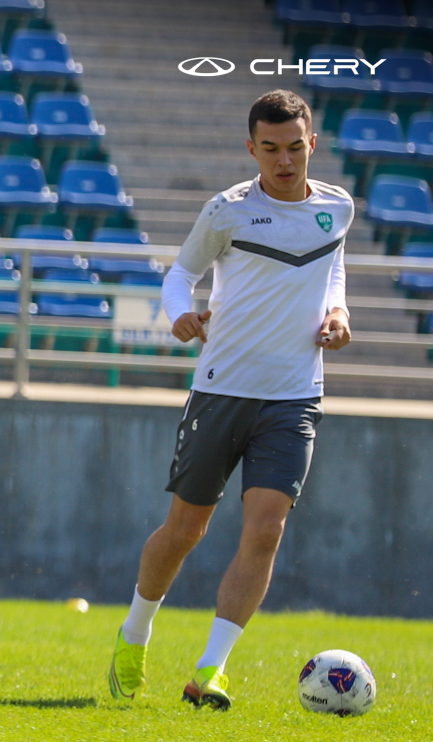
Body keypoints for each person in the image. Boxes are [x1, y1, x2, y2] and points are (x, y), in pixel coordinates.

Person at [107, 89, 352, 709]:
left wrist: (340, 312)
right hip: (221, 390)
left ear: (311, 145)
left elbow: (333, 270)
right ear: (252, 149)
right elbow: (180, 274)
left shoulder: (338, 209)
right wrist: (179, 316)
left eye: (295, 147)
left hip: (295, 397)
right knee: (186, 528)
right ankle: (135, 633)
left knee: (266, 530)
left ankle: (209, 671)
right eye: (270, 149)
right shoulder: (226, 211)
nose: (284, 160)